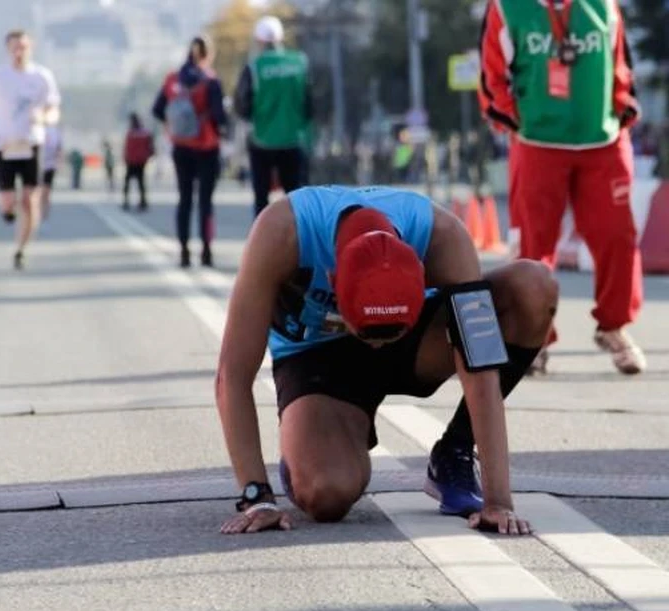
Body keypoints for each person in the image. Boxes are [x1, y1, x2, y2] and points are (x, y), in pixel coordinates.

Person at [216, 185, 556, 536]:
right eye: (370, 336)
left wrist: (498, 502)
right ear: (332, 279)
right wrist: (256, 495)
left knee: (532, 287)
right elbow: (233, 374)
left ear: (423, 276)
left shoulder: (445, 238)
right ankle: (317, 440)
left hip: (417, 343)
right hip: (319, 356)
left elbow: (479, 366)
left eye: (386, 336)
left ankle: (453, 454)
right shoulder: (282, 232)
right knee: (325, 494)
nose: (376, 347)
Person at [480, 0, 646, 375]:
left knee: (618, 236)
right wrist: (512, 118)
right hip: (538, 142)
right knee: (534, 246)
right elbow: (492, 74)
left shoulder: (603, 5)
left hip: (602, 141)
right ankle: (533, 338)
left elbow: (621, 60)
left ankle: (614, 325)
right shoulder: (507, 8)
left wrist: (622, 107)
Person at [0, 29, 61, 271]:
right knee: (8, 201)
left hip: (31, 143)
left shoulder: (42, 77)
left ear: (30, 48)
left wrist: (44, 117)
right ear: (8, 49)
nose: (19, 52)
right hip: (3, 144)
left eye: (23, 47)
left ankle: (21, 249)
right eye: (14, 47)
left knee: (29, 200)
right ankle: (6, 209)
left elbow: (54, 108)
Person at [153, 35, 227, 268]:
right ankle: (206, 250)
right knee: (206, 202)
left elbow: (157, 109)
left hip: (181, 147)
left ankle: (184, 250)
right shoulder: (211, 80)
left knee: (184, 200)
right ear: (208, 55)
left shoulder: (172, 80)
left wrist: (173, 125)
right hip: (207, 147)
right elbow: (219, 117)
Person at [234, 16, 312, 217]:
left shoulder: (254, 67)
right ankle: (302, 242)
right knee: (297, 198)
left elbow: (242, 105)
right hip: (294, 139)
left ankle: (262, 245)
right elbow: (309, 102)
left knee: (261, 198)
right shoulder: (299, 63)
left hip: (262, 141)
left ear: (259, 40)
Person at [41, 123, 63, 219]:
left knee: (46, 190)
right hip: (38, 165)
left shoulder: (55, 131)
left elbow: (59, 149)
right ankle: (36, 210)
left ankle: (45, 211)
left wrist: (58, 162)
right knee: (37, 191)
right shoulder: (36, 128)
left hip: (50, 165)